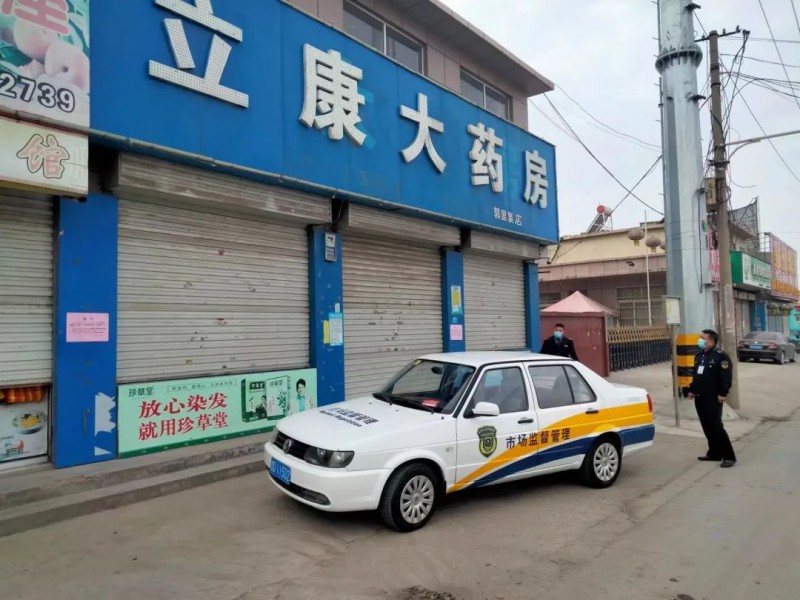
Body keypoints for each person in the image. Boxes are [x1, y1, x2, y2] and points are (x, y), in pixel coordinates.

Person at [687, 329, 737, 468]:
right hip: (700, 396)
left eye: (703, 338)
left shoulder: (721, 356)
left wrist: (723, 393)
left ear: (711, 341)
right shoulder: (699, 356)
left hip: (713, 397)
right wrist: (692, 390)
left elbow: (726, 376)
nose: (700, 340)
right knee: (707, 426)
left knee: (716, 426)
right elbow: (697, 375)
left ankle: (729, 456)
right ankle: (714, 453)